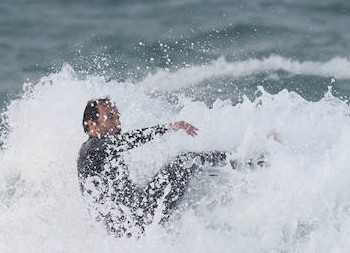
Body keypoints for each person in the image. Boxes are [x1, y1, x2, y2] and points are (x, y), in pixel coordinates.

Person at [76, 97, 235, 236]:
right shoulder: (91, 148)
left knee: (182, 164)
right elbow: (125, 141)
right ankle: (237, 162)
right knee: (184, 161)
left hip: (133, 218)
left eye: (118, 116)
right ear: (91, 124)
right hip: (131, 223)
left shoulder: (103, 150)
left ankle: (232, 171)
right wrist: (167, 127)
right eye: (110, 117)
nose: (118, 122)